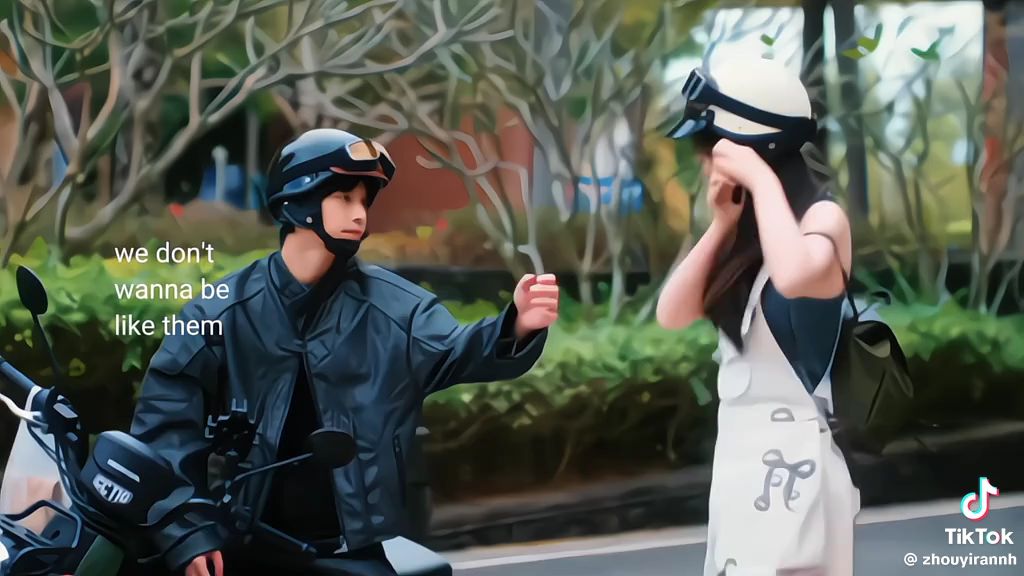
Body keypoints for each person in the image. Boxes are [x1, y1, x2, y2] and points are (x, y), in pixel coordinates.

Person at [129, 128, 559, 576]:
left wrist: (518, 323)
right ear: (296, 200)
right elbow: (164, 427)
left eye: (364, 201)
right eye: (344, 198)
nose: (359, 214)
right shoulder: (219, 312)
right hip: (236, 544)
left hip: (348, 550)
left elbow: (458, 348)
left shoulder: (397, 310)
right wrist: (188, 532)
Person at [656, 55, 860, 576]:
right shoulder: (747, 234)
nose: (706, 164)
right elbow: (672, 313)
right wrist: (722, 224)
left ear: (752, 145)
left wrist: (759, 179)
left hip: (798, 470)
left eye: (711, 149)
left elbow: (794, 274)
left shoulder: (823, 219)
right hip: (741, 466)